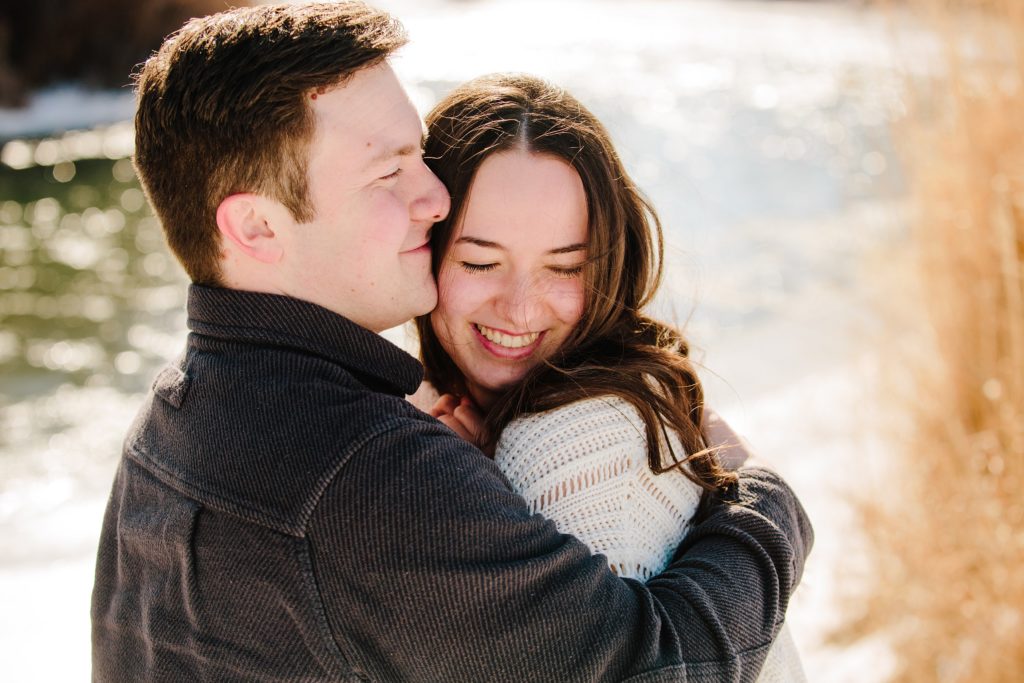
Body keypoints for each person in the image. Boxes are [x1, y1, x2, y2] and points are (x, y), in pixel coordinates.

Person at [90, 3, 813, 682]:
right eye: (390, 170)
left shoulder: (162, 429)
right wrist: (770, 502)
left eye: (421, 158)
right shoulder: (374, 477)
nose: (434, 198)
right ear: (256, 228)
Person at [415, 73, 807, 681]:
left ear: (607, 266)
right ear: (422, 248)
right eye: (481, 262)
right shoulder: (495, 412)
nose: (520, 309)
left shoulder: (568, 435)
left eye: (564, 267)